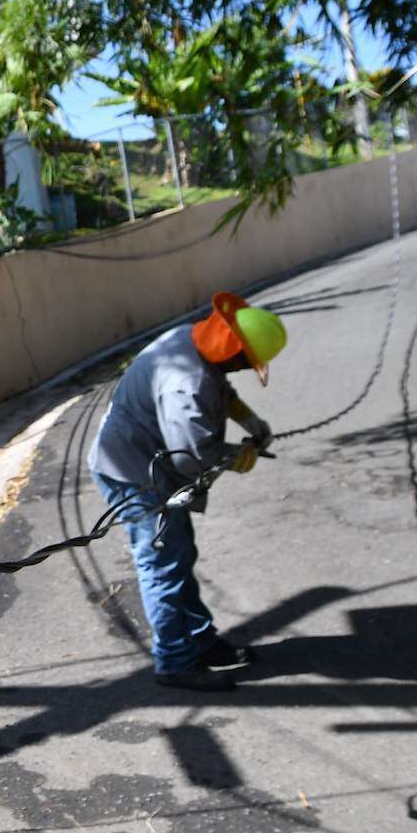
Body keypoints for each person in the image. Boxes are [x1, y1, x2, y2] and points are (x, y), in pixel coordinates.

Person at [86, 291, 288, 692]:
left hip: (149, 462)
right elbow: (191, 458)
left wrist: (249, 419)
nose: (244, 371)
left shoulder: (193, 341)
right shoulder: (186, 381)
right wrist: (237, 456)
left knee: (179, 555)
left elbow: (219, 387)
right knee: (163, 565)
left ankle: (200, 641)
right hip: (133, 473)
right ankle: (175, 663)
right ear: (233, 352)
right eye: (246, 364)